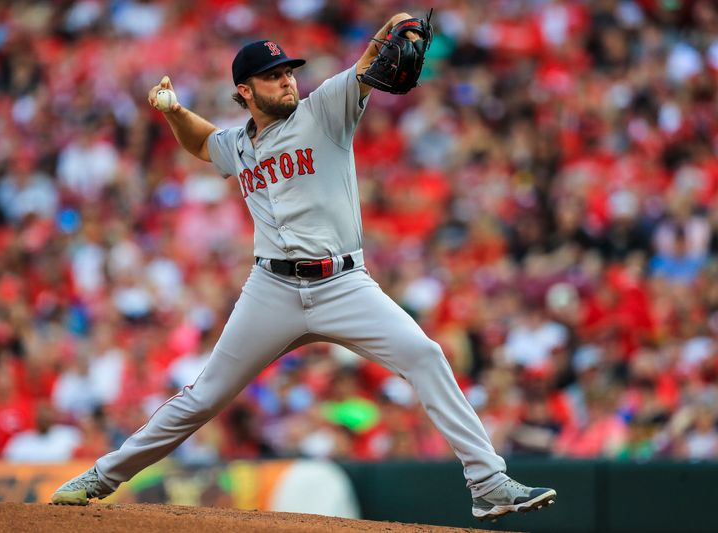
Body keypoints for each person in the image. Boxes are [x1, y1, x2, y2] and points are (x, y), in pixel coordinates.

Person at [51, 13, 556, 521]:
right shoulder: (240, 144)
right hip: (270, 288)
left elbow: (365, 65)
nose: (288, 79)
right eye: (274, 75)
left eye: (289, 70)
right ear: (245, 91)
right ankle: (101, 477)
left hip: (344, 284)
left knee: (424, 354)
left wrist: (394, 24)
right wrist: (174, 110)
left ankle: (487, 481)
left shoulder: (324, 111)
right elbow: (204, 143)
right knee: (202, 398)